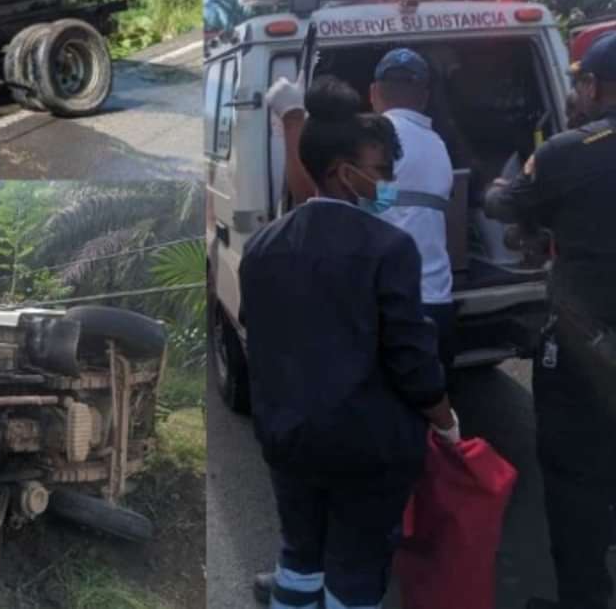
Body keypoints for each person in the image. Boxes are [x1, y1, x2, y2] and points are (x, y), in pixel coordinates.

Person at [243, 76, 458, 609]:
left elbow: (260, 334)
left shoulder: (263, 246)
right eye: (382, 172)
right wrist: (445, 419)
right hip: (367, 447)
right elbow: (411, 359)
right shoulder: (391, 247)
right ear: (344, 173)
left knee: (299, 556)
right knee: (357, 573)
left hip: (288, 439)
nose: (387, 184)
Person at [484, 31, 616, 609]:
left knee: (575, 481)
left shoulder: (568, 151)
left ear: (590, 86)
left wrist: (494, 188)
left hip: (589, 348)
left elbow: (505, 205)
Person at [269, 48, 458, 372]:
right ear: (424, 97)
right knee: (424, 404)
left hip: (385, 307)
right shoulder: (439, 146)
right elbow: (387, 201)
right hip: (437, 303)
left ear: (372, 93)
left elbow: (310, 200)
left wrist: (293, 119)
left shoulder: (369, 142)